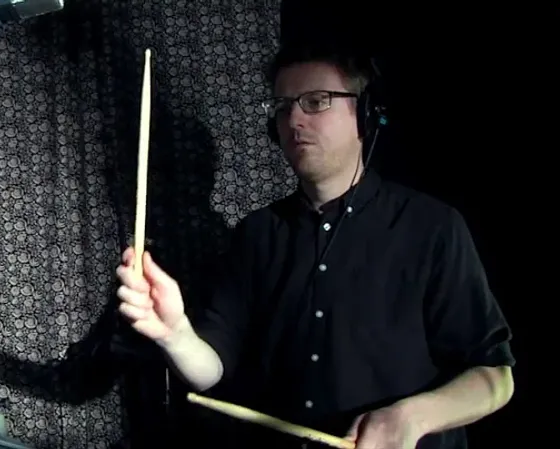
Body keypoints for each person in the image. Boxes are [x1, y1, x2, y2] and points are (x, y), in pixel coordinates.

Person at [114, 46, 515, 449]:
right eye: (283, 106)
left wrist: (412, 417)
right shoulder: (256, 235)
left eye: (316, 101)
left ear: (364, 115)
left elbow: (495, 378)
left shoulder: (432, 227)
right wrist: (175, 335)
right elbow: (211, 368)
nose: (294, 119)